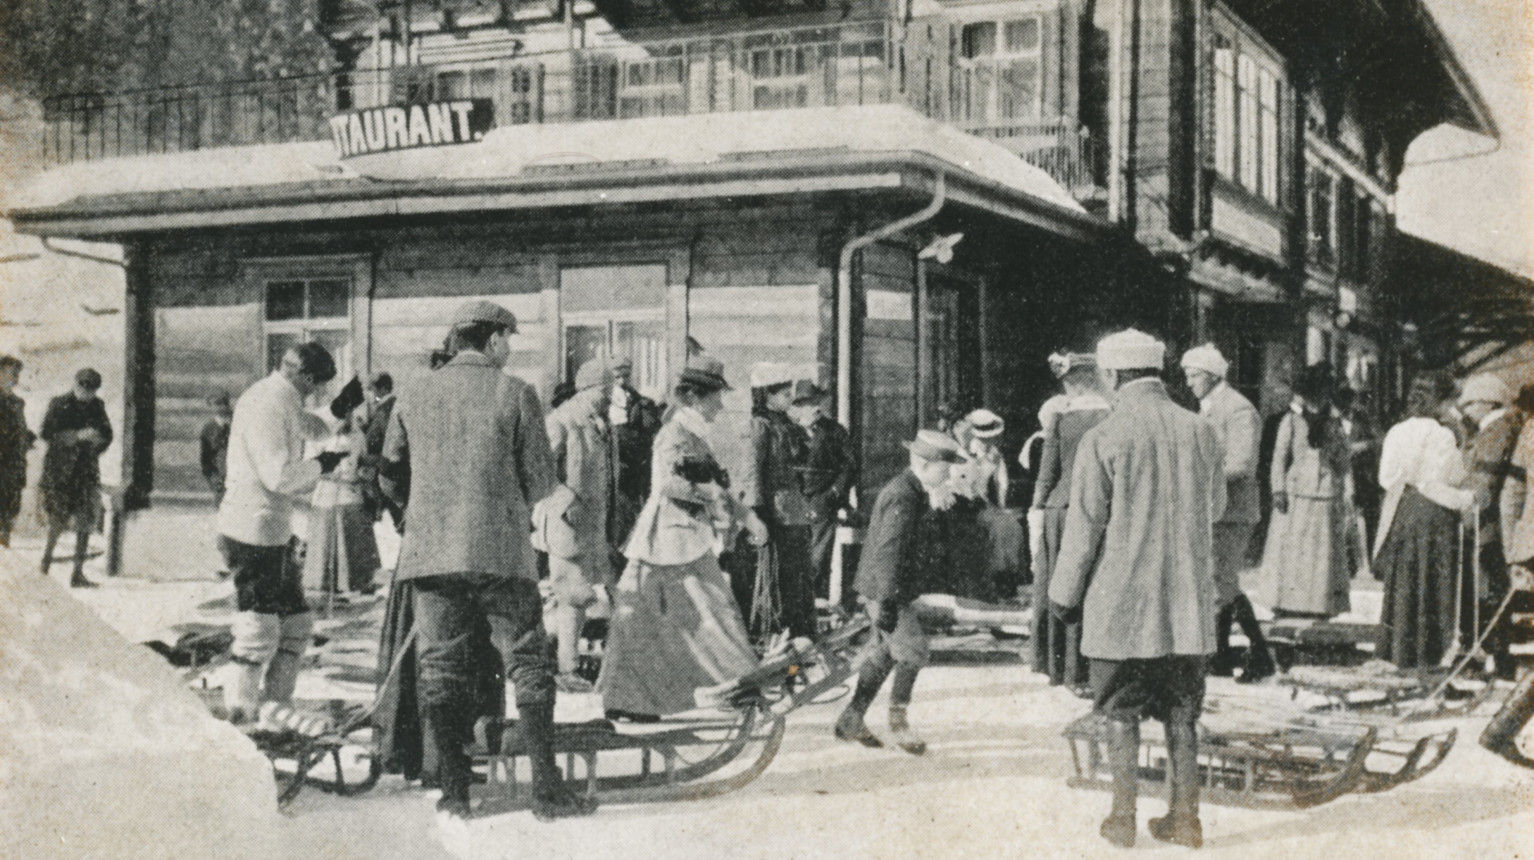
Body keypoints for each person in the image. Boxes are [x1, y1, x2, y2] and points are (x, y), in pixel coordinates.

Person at [380, 300, 596, 823]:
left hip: (431, 557)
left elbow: (388, 475)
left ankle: (454, 793)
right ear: (494, 340)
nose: (510, 350)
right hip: (500, 553)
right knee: (527, 662)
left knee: (441, 670)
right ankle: (547, 791)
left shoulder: (413, 391)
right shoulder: (515, 393)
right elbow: (542, 482)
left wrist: (418, 520)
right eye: (510, 339)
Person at [1049, 328, 1224, 849]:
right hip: (1188, 603)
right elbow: (1214, 509)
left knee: (1120, 710)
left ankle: (1122, 819)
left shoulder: (1103, 437)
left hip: (1121, 604)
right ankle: (1186, 820)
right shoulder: (1201, 430)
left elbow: (1083, 531)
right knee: (1182, 714)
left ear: (1111, 375)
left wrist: (1063, 595)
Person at [597, 355, 766, 720]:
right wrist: (712, 495)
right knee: (707, 613)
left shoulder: (692, 435)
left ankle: (632, 700)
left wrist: (745, 515)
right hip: (671, 539)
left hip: (679, 538)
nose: (720, 405)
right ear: (693, 397)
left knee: (647, 620)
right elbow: (670, 484)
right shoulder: (673, 434)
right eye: (715, 397)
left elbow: (715, 485)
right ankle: (740, 684)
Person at [217, 344, 338, 724]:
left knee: (297, 623)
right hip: (251, 531)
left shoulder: (279, 395)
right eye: (315, 387)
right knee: (259, 629)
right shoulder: (269, 403)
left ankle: (275, 709)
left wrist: (336, 413)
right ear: (306, 377)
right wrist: (322, 463)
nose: (312, 395)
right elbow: (280, 476)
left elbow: (306, 422)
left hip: (271, 531)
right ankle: (241, 715)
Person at [834, 429, 967, 755]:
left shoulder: (912, 490)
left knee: (883, 654)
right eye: (944, 465)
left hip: (886, 590)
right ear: (923, 462)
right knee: (913, 650)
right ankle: (899, 726)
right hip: (885, 591)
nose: (950, 471)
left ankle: (852, 718)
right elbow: (889, 551)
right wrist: (887, 601)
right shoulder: (903, 495)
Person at [1181, 345, 1276, 683]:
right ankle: (1241, 655)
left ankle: (1245, 655)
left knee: (1220, 583)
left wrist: (1195, 475)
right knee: (1220, 582)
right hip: (1213, 510)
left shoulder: (1238, 410)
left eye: (1193, 376)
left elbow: (1242, 464)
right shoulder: (1208, 408)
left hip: (1232, 512)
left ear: (1211, 375)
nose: (1189, 383)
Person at [1373, 371, 1474, 669]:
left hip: (1403, 509)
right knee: (1435, 582)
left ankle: (1400, 652)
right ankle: (1432, 654)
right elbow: (1451, 478)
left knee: (1405, 581)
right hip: (1434, 514)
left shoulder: (1396, 431)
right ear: (1441, 403)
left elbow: (1385, 477)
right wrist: (1466, 500)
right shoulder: (1442, 435)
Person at [1029, 352, 1109, 692]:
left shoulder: (1060, 420)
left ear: (1070, 384)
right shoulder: (1113, 417)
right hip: (1099, 511)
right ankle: (1088, 671)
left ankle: (1058, 667)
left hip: (1058, 511)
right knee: (1091, 586)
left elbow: (1046, 476)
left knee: (1058, 586)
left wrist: (1036, 511)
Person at [537, 357, 617, 693]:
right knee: (574, 595)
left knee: (589, 596)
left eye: (610, 391)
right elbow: (539, 470)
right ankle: (565, 667)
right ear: (585, 389)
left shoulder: (601, 423)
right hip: (566, 526)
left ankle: (583, 666)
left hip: (595, 526)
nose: (608, 397)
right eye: (603, 390)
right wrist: (566, 502)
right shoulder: (561, 421)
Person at [1261, 363, 1352, 618]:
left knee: (1320, 554)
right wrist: (1277, 489)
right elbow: (1279, 457)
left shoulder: (1334, 423)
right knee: (1292, 550)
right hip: (1294, 494)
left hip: (1324, 493)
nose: (1322, 396)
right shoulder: (1291, 420)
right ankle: (1286, 602)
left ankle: (1319, 605)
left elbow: (1343, 461)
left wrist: (1339, 453)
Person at [741, 363, 815, 640]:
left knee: (798, 575)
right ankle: (778, 633)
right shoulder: (760, 426)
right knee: (780, 577)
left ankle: (801, 634)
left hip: (793, 511)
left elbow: (802, 460)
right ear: (767, 395)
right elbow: (753, 471)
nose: (789, 399)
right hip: (775, 512)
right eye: (784, 394)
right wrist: (756, 512)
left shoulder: (786, 424)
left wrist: (804, 431)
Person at [1455, 372, 1522, 678]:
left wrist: (1465, 518)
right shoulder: (1500, 427)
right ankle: (1495, 655)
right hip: (1491, 522)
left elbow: (1485, 483)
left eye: (1469, 404)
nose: (1465, 411)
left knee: (1486, 590)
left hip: (1486, 524)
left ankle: (1493, 656)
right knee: (1489, 589)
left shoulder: (1496, 430)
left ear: (1485, 403)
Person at [39, 368, 114, 588]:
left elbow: (108, 434)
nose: (87, 393)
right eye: (83, 387)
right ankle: (44, 565)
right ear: (75, 384)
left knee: (85, 522)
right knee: (57, 521)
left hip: (86, 472)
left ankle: (78, 574)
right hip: (60, 473)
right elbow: (46, 433)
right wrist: (77, 436)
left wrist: (97, 440)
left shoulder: (98, 406)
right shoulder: (58, 403)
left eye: (91, 389)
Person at [789, 380, 856, 604]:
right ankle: (796, 605)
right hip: (794, 502)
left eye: (817, 402)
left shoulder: (834, 431)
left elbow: (849, 466)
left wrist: (835, 493)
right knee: (796, 556)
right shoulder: (789, 432)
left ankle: (817, 603)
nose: (815, 407)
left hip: (822, 501)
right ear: (798, 406)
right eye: (808, 403)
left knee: (819, 557)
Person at [304, 415, 382, 595]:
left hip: (352, 493)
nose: (345, 420)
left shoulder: (358, 436)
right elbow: (309, 467)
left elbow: (362, 460)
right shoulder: (319, 437)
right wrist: (331, 475)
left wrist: (365, 472)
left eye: (349, 415)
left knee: (355, 530)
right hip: (328, 494)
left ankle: (358, 581)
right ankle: (326, 582)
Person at [956, 409, 1023, 603]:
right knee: (999, 526)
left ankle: (1006, 580)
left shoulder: (994, 454)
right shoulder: (963, 451)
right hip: (963, 504)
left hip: (983, 504)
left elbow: (1002, 482)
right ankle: (999, 581)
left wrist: (1002, 506)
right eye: (983, 438)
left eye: (991, 438)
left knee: (1011, 525)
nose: (988, 442)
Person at [609, 355, 663, 556]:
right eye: (617, 377)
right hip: (618, 465)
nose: (622, 381)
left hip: (638, 464)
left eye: (626, 376)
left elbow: (650, 429)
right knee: (619, 515)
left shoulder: (638, 399)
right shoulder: (608, 400)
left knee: (637, 513)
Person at [0, 355, 35, 548]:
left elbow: (20, 429)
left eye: (17, 373)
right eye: (12, 373)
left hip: (14, 467)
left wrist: (29, 438)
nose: (16, 377)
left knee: (10, 512)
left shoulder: (17, 402)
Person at [359, 372, 401, 529]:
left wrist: (369, 460)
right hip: (383, 470)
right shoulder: (385, 407)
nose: (370, 394)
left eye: (372, 389)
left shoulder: (385, 409)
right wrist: (366, 429)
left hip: (385, 472)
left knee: (393, 519)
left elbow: (389, 443)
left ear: (382, 389)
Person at [200, 392, 234, 504]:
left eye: (224, 403)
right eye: (217, 404)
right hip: (219, 476)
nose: (221, 408)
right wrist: (213, 479)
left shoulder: (237, 424)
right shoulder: (208, 429)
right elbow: (205, 458)